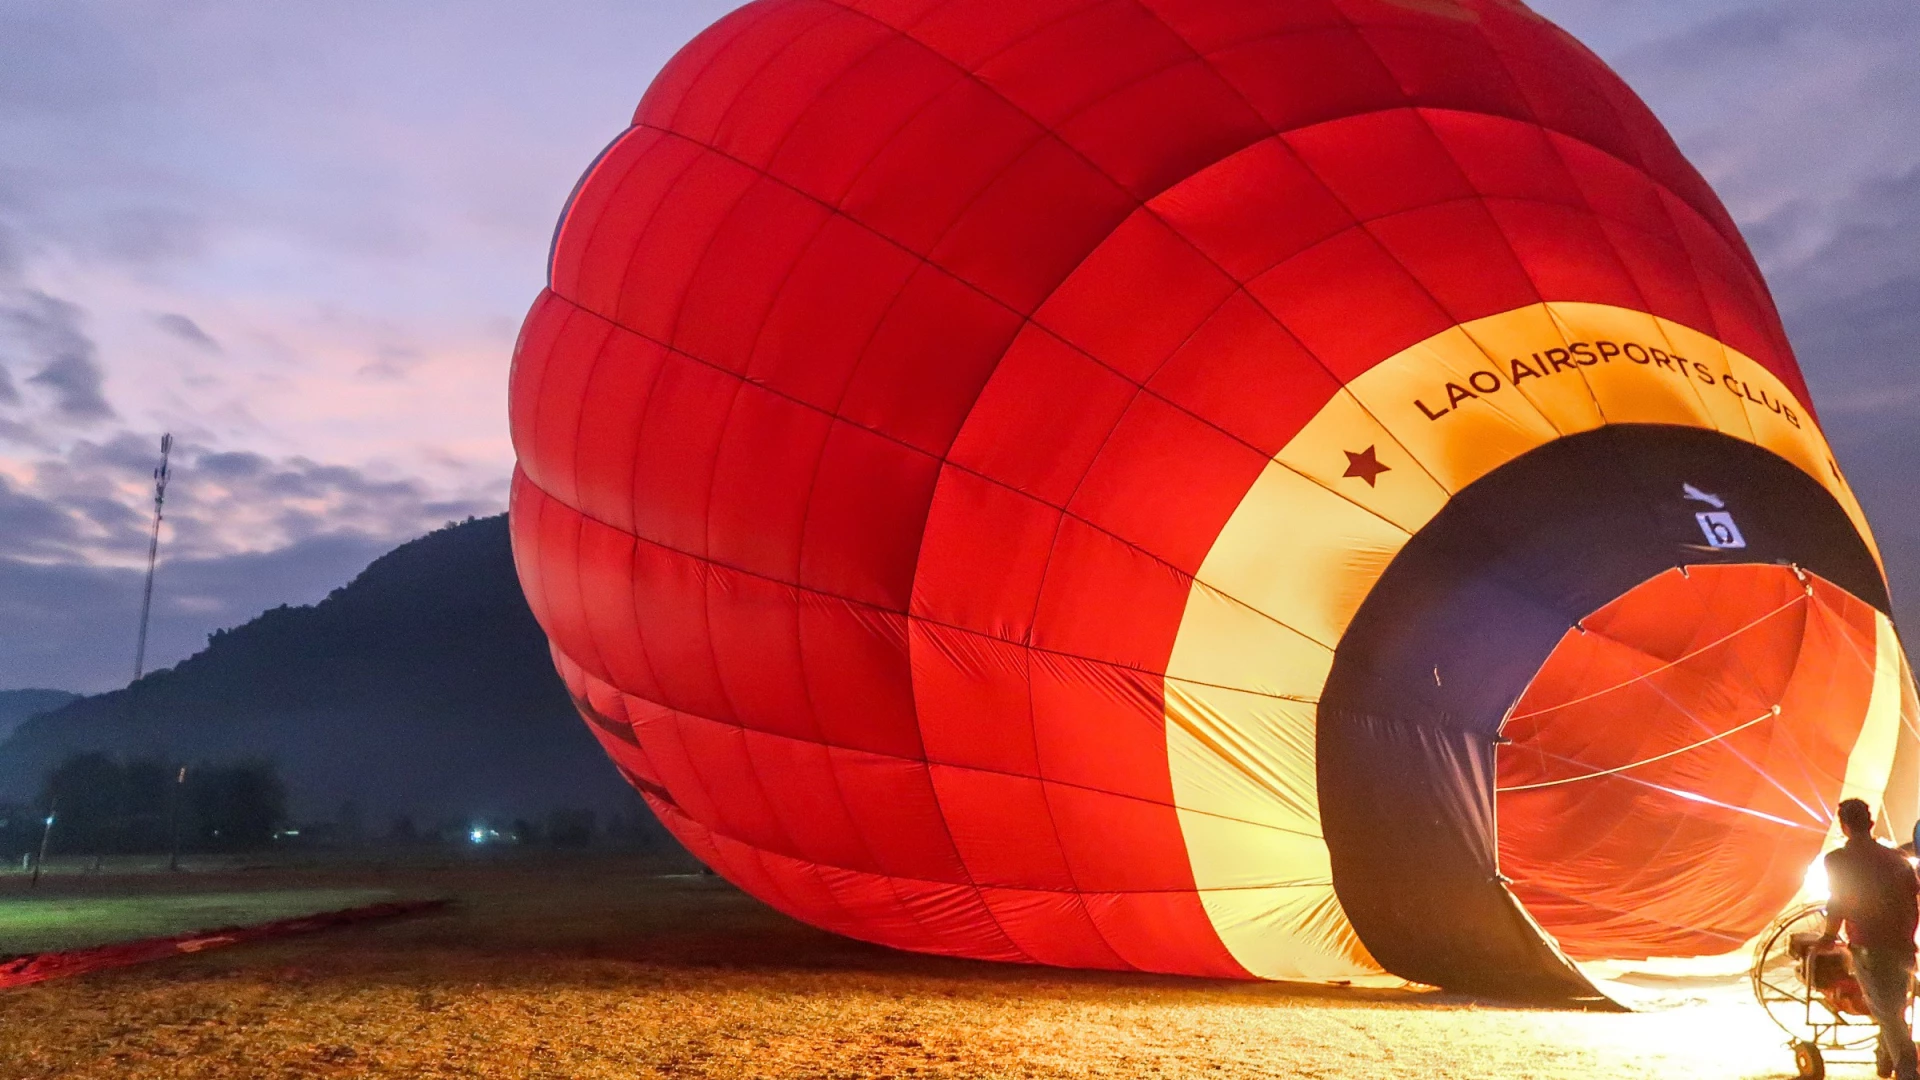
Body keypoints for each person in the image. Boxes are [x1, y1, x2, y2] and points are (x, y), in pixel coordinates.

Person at [1821, 798, 1920, 1080]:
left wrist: (1828, 936)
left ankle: (1907, 1069)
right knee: (1894, 1005)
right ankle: (1885, 1058)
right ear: (1871, 823)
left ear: (1844, 826)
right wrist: (1908, 937)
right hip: (1901, 944)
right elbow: (1911, 902)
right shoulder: (1896, 860)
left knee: (1887, 1011)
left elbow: (1837, 902)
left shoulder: (1837, 860)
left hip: (1869, 945)